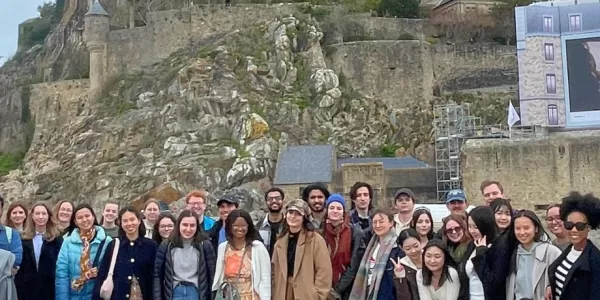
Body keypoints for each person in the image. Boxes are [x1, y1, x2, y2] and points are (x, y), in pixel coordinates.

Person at [272, 199, 332, 300]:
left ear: (304, 218)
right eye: (290, 212)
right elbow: (273, 272)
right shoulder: (280, 242)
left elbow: (324, 271)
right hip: (283, 293)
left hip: (307, 294)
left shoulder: (315, 240)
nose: (293, 217)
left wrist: (318, 295)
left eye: (298, 214)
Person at [93, 207, 157, 300]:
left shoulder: (151, 246)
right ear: (121, 223)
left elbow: (156, 276)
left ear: (139, 221)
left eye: (132, 219)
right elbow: (102, 275)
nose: (129, 224)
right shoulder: (114, 245)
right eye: (125, 221)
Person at [547, 192, 600, 300]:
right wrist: (551, 286)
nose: (574, 230)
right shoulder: (569, 251)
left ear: (588, 227)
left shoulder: (595, 260)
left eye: (580, 226)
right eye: (569, 225)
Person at [153, 210, 216, 300]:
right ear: (179, 225)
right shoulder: (167, 245)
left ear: (197, 227)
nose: (188, 229)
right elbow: (158, 275)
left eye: (192, 225)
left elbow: (212, 274)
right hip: (173, 292)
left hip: (196, 292)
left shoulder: (204, 245)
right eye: (185, 225)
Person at [55, 203, 112, 299]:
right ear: (75, 221)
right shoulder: (68, 242)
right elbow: (62, 273)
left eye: (87, 216)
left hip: (96, 295)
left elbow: (113, 270)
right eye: (80, 217)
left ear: (93, 217)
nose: (84, 220)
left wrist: (100, 272)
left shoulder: (107, 241)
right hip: (73, 295)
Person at [212, 209, 271, 300]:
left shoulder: (258, 248)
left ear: (249, 226)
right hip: (229, 297)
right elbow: (220, 277)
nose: (240, 229)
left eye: (243, 225)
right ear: (229, 227)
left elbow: (265, 278)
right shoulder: (223, 248)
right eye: (235, 225)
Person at [349, 208, 406, 300]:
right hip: (368, 293)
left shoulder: (398, 246)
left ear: (391, 223)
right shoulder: (371, 245)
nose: (378, 225)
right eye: (375, 222)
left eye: (381, 221)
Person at [506, 210, 560, 300]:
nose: (522, 232)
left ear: (536, 229)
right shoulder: (513, 254)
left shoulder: (551, 252)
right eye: (518, 228)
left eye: (526, 228)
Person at [15, 202, 63, 300]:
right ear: (32, 216)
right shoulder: (23, 238)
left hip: (50, 289)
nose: (40, 217)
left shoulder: (57, 239)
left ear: (49, 216)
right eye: (37, 213)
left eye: (44, 213)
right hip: (27, 289)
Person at [322, 194, 365, 300]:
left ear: (343, 212)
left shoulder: (355, 233)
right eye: (331, 208)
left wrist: (337, 290)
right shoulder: (320, 232)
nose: (335, 211)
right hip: (323, 287)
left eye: (339, 208)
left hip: (347, 288)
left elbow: (354, 265)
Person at [464, 206, 498, 300]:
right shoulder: (472, 245)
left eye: (475, 227)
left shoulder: (497, 246)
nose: (472, 231)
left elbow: (491, 281)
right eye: (469, 226)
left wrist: (481, 252)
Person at [396, 228, 422, 300]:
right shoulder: (401, 266)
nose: (413, 251)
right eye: (408, 248)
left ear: (420, 242)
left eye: (416, 246)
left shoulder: (430, 258)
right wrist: (400, 277)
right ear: (401, 248)